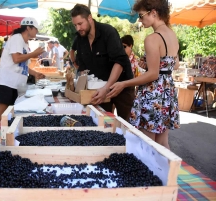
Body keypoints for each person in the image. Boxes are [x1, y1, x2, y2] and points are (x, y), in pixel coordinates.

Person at [107, 0, 180, 149]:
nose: (140, 20)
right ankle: (167, 172)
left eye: (141, 16)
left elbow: (153, 75)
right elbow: (174, 65)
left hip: (153, 94)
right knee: (162, 142)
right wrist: (149, 64)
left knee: (146, 144)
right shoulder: (172, 35)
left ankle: (149, 172)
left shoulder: (153, 38)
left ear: (153, 13)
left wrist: (124, 83)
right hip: (167, 93)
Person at [70, 4, 135, 121]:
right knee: (103, 122)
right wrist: (79, 87)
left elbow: (119, 62)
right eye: (75, 25)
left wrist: (107, 87)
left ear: (89, 18)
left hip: (121, 87)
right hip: (99, 89)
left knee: (125, 125)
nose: (78, 28)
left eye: (80, 24)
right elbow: (83, 66)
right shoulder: (80, 38)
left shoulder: (108, 32)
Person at [0, 17, 45, 127]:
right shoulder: (17, 38)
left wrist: (35, 73)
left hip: (13, 83)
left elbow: (23, 66)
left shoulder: (25, 43)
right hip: (6, 81)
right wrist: (33, 54)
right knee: (2, 112)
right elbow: (16, 59)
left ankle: (3, 135)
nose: (37, 31)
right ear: (28, 28)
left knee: (9, 113)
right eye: (36, 29)